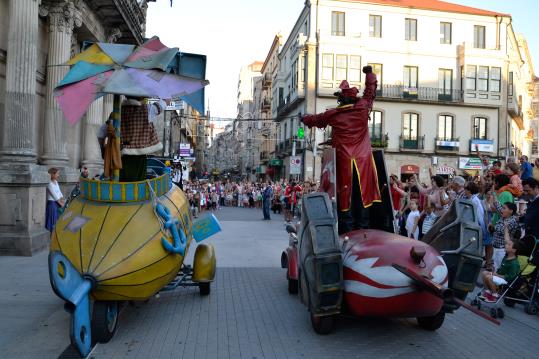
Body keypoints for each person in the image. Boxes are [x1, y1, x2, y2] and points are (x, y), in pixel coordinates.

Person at [302, 66, 381, 234]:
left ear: (342, 100)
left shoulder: (334, 114)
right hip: (363, 159)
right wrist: (369, 74)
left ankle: (347, 230)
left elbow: (314, 119)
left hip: (344, 159)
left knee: (346, 194)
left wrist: (304, 118)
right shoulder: (363, 107)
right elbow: (370, 91)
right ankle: (364, 228)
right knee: (362, 193)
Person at [45, 168, 65, 233]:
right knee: (52, 221)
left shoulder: (56, 182)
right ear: (53, 174)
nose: (58, 175)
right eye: (57, 174)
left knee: (57, 220)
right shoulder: (49, 184)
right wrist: (61, 204)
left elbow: (59, 193)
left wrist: (62, 199)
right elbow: (55, 196)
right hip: (52, 204)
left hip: (57, 204)